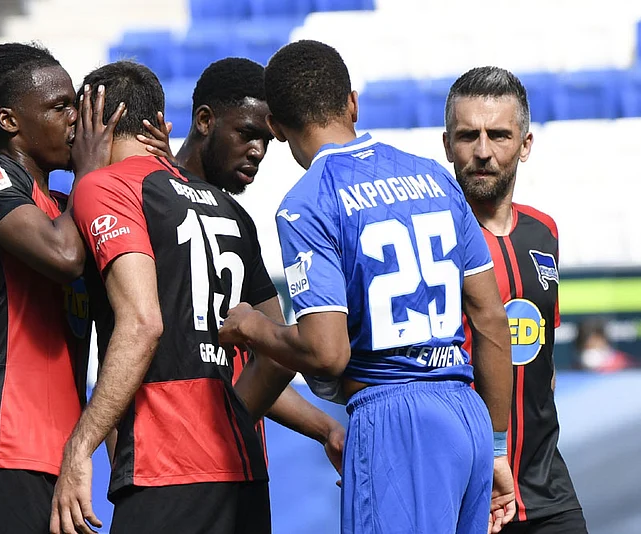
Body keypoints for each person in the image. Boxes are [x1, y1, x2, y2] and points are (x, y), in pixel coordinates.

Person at [218, 40, 516, 534]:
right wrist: (498, 446)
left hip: (395, 419)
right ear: (352, 104)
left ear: (276, 126)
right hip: (468, 417)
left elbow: (326, 352)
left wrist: (250, 326)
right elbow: (490, 317)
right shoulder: (436, 178)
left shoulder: (308, 202)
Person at [49, 60, 295, 534]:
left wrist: (79, 449)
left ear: (93, 119)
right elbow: (281, 353)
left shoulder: (108, 186)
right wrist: (226, 421)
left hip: (166, 468)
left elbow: (143, 325)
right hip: (242, 471)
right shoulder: (229, 207)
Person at [0, 42, 123, 533]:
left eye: (76, 103)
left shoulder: (65, 206)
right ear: (10, 121)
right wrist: (91, 173)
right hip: (0, 445)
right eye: (59, 107)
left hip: (60, 456)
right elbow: (63, 257)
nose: (75, 120)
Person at [138, 56, 345, 473]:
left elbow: (274, 357)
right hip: (167, 467)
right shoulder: (143, 199)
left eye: (266, 140)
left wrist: (327, 429)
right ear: (204, 120)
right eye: (247, 134)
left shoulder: (238, 221)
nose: (258, 151)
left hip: (218, 466)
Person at [443, 66, 589, 534]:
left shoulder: (544, 231)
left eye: (499, 135)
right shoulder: (433, 241)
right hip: (468, 496)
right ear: (447, 144)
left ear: (525, 145)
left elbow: (541, 355)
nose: (483, 151)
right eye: (468, 135)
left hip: (549, 491)